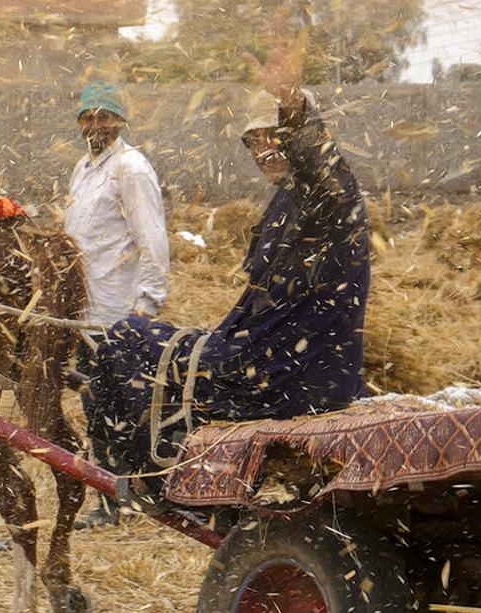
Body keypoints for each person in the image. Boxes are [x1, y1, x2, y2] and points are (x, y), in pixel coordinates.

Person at [78, 33, 371, 511]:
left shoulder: (330, 198)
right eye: (253, 140)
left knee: (125, 342)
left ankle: (152, 480)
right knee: (120, 350)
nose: (262, 149)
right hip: (264, 357)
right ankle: (138, 480)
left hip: (290, 375)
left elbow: (323, 167)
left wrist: (293, 105)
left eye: (273, 136)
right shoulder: (286, 200)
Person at [64, 80, 170, 326]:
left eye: (104, 118)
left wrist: (148, 305)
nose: (95, 126)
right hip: (79, 303)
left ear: (119, 122)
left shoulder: (131, 167)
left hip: (116, 311)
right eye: (88, 118)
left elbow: (152, 238)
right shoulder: (82, 167)